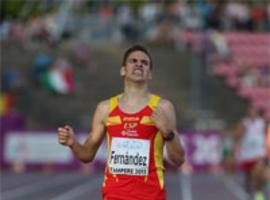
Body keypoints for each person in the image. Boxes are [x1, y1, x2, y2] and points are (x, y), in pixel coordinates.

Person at [57, 45, 185, 200]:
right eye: (133, 61)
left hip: (151, 196)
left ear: (150, 74)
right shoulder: (105, 109)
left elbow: (178, 159)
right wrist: (73, 143)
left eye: (144, 63)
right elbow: (87, 155)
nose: (139, 64)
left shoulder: (163, 108)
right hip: (114, 195)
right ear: (123, 70)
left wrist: (168, 133)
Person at [233, 106, 267, 199]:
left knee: (257, 175)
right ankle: (248, 195)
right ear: (247, 112)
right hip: (247, 155)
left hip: (259, 154)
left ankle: (258, 194)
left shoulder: (261, 123)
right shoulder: (244, 123)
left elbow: (265, 135)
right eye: (250, 111)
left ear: (257, 112)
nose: (252, 113)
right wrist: (240, 135)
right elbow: (236, 136)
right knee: (248, 178)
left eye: (254, 111)